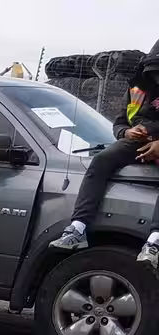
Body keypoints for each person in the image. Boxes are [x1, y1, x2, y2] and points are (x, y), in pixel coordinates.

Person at [50, 40, 159, 268]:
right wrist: (127, 131)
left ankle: (155, 242)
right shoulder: (137, 88)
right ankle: (78, 228)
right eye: (154, 72)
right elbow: (119, 123)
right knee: (101, 160)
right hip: (136, 141)